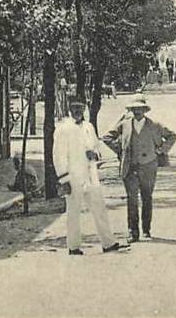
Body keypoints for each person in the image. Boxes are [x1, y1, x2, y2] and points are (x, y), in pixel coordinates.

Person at [54, 99, 127, 255]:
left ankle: (108, 243)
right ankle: (73, 247)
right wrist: (64, 179)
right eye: (74, 107)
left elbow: (96, 147)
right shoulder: (62, 129)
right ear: (69, 108)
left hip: (91, 175)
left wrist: (95, 154)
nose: (77, 111)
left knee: (99, 208)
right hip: (73, 177)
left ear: (85, 108)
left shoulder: (89, 127)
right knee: (73, 212)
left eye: (80, 107)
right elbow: (59, 156)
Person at [103, 96, 176, 242]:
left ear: (145, 110)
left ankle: (146, 230)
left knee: (147, 197)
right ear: (131, 110)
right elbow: (107, 138)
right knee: (132, 199)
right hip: (130, 167)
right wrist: (121, 150)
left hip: (148, 166)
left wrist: (161, 150)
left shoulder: (154, 125)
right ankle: (133, 232)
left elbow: (172, 136)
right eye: (134, 109)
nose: (137, 111)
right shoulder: (124, 124)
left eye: (140, 109)